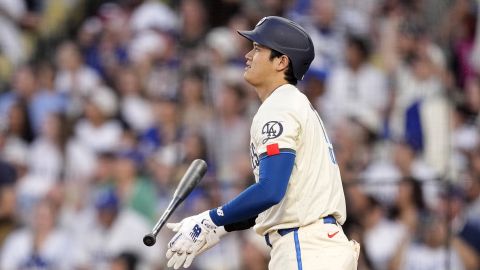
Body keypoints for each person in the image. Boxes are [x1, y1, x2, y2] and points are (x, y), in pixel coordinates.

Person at [165, 16, 360, 270]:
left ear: (281, 61)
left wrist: (211, 219)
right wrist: (221, 227)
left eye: (258, 49)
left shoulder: (280, 107)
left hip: (305, 247)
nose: (247, 55)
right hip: (317, 246)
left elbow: (270, 190)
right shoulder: (293, 104)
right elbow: (280, 200)